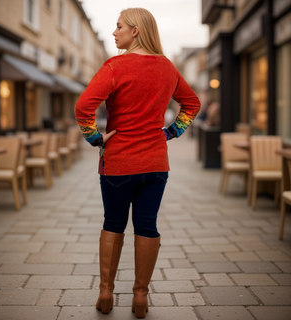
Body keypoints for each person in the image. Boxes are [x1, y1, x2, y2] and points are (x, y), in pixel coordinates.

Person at [75, 8, 200, 319]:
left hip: (118, 162)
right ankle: (140, 297)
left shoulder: (115, 66)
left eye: (119, 27)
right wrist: (172, 132)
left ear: (136, 31)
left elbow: (83, 106)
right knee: (147, 225)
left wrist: (95, 138)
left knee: (113, 223)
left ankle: (106, 292)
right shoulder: (168, 69)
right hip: (156, 163)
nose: (114, 32)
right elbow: (192, 103)